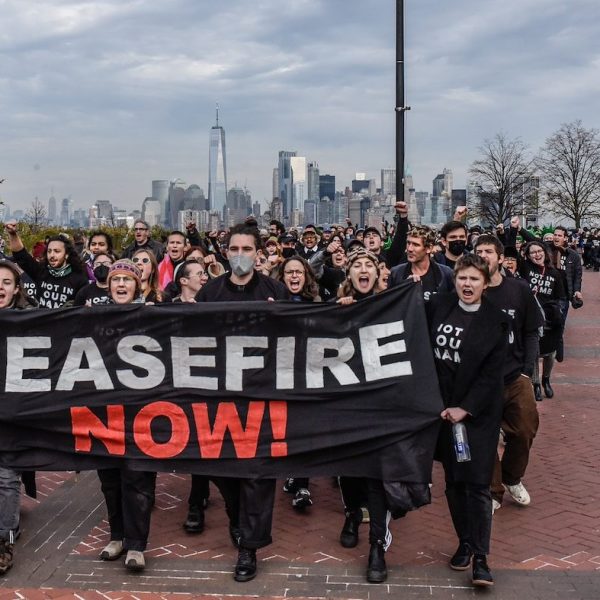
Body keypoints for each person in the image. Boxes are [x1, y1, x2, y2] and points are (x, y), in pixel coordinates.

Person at [195, 223, 289, 583]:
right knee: (221, 469)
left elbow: (297, 337)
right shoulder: (211, 292)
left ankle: (248, 547)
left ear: (258, 253)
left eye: (246, 249)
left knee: (257, 475)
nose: (239, 255)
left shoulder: (274, 290)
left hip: (262, 397)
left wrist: (276, 317)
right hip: (218, 398)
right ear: (225, 252)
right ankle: (237, 517)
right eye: (233, 248)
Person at [427, 254, 508, 587]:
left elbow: (492, 376)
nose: (467, 285)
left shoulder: (497, 320)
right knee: (454, 482)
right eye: (462, 278)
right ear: (454, 279)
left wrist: (466, 408)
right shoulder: (439, 306)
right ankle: (463, 542)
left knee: (476, 484)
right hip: (443, 414)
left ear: (485, 283)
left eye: (475, 279)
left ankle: (481, 557)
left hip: (476, 418)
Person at [473, 235, 543, 511]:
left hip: (515, 376)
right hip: (480, 380)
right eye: (478, 251)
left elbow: (531, 331)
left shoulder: (519, 290)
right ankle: (493, 490)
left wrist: (528, 371)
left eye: (488, 251)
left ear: (501, 258)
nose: (483, 256)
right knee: (485, 436)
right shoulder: (467, 289)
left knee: (525, 429)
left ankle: (512, 477)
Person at [96, 259, 155, 571]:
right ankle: (116, 536)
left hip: (141, 413)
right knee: (109, 479)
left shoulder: (153, 315)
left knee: (138, 478)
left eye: (127, 280)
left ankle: (136, 544)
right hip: (103, 413)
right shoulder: (93, 316)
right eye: (115, 279)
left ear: (138, 285)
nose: (120, 284)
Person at [0, 260, 37, 575]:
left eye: (7, 282)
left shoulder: (30, 320)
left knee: (7, 476)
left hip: (15, 410)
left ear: (16, 288)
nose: (0, 286)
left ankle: (4, 540)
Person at [277, 256, 321, 510]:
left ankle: (302, 483)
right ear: (281, 277)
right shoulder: (273, 302)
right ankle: (292, 472)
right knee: (287, 427)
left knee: (304, 427)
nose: (294, 276)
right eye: (289, 272)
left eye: (299, 272)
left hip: (307, 372)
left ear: (306, 276)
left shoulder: (315, 303)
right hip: (281, 372)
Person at [519, 242, 566, 400]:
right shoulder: (526, 268)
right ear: (527, 256)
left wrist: (556, 312)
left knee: (550, 353)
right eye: (533, 252)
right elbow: (510, 247)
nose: (537, 254)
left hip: (549, 318)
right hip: (531, 317)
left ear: (545, 253)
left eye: (539, 251)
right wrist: (515, 229)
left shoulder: (555, 273)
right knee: (534, 352)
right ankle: (536, 384)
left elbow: (560, 297)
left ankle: (546, 379)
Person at [5, 222, 88, 308]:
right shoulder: (41, 271)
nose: (52, 255)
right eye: (49, 251)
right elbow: (21, 256)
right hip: (41, 320)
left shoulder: (79, 278)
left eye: (57, 251)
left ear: (66, 254)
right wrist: (13, 234)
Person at [388, 223, 454, 302]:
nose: (409, 249)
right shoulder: (396, 273)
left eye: (416, 245)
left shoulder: (446, 274)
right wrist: (404, 287)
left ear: (429, 248)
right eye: (408, 243)